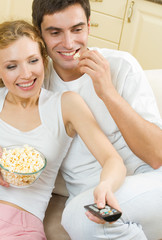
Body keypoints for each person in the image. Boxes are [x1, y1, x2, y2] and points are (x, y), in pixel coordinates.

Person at [31, 0, 162, 240]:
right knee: (82, 218)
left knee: (77, 217)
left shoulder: (121, 66)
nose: (69, 43)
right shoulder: (35, 81)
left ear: (89, 26)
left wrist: (107, 92)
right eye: (55, 32)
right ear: (39, 34)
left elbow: (156, 155)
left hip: (147, 184)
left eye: (77, 29)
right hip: (93, 198)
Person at [0, 20, 126, 240]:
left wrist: (105, 186)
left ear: (44, 59)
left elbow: (112, 160)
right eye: (12, 66)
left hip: (21, 224)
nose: (26, 74)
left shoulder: (66, 104)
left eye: (33, 61)